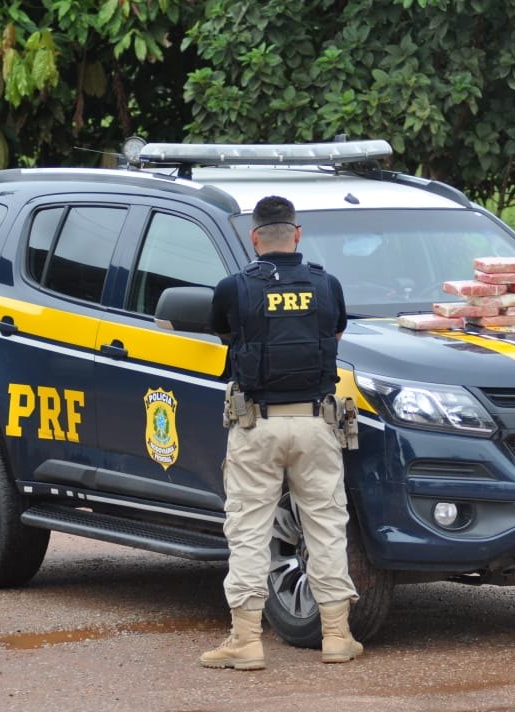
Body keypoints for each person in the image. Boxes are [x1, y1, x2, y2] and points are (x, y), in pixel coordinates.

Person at [198, 195, 361, 670]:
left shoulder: (234, 288)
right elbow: (332, 338)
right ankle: (336, 636)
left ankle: (245, 642)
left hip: (256, 424)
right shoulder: (326, 285)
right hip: (316, 423)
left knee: (249, 530)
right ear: (297, 233)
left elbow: (227, 337)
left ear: (254, 237)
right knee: (326, 527)